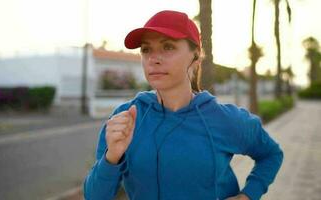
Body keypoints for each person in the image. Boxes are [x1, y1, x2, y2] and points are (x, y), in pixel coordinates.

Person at [83, 10, 283, 200]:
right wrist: (112, 157)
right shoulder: (126, 118)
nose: (153, 59)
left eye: (168, 46)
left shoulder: (224, 119)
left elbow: (271, 154)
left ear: (195, 55)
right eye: (146, 50)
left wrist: (248, 195)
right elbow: (94, 196)